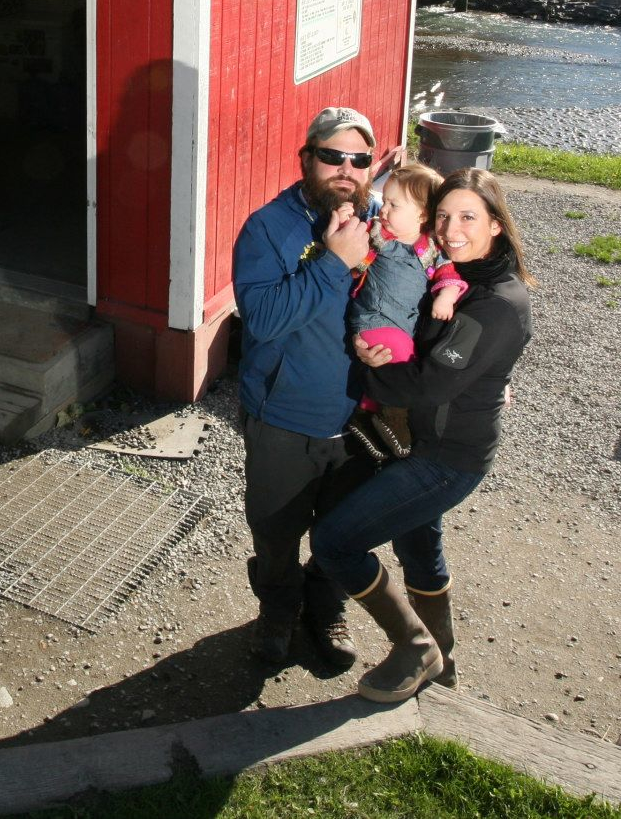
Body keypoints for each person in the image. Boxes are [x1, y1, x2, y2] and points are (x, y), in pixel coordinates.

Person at [311, 168, 537, 702]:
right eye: (443, 216)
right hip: (421, 444)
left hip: (446, 459)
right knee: (419, 549)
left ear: (498, 226)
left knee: (335, 542)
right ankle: (444, 665)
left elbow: (431, 383)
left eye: (468, 217)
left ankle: (416, 647)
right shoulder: (464, 273)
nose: (450, 229)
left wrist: (365, 369)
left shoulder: (499, 301)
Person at [230, 106, 381, 670]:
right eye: (332, 156)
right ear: (307, 160)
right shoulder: (269, 227)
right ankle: (277, 611)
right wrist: (334, 263)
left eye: (359, 159)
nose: (346, 168)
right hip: (284, 419)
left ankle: (326, 607)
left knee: (343, 534)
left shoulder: (383, 227)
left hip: (360, 418)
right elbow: (263, 319)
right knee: (275, 533)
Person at [345, 162, 464, 459]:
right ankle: (395, 417)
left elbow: (448, 275)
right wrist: (348, 230)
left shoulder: (430, 248)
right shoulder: (378, 235)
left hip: (404, 323)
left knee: (399, 355)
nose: (383, 209)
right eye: (383, 201)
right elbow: (355, 256)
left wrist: (446, 297)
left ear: (422, 214)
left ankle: (367, 413)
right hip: (374, 316)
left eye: (393, 204)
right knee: (399, 357)